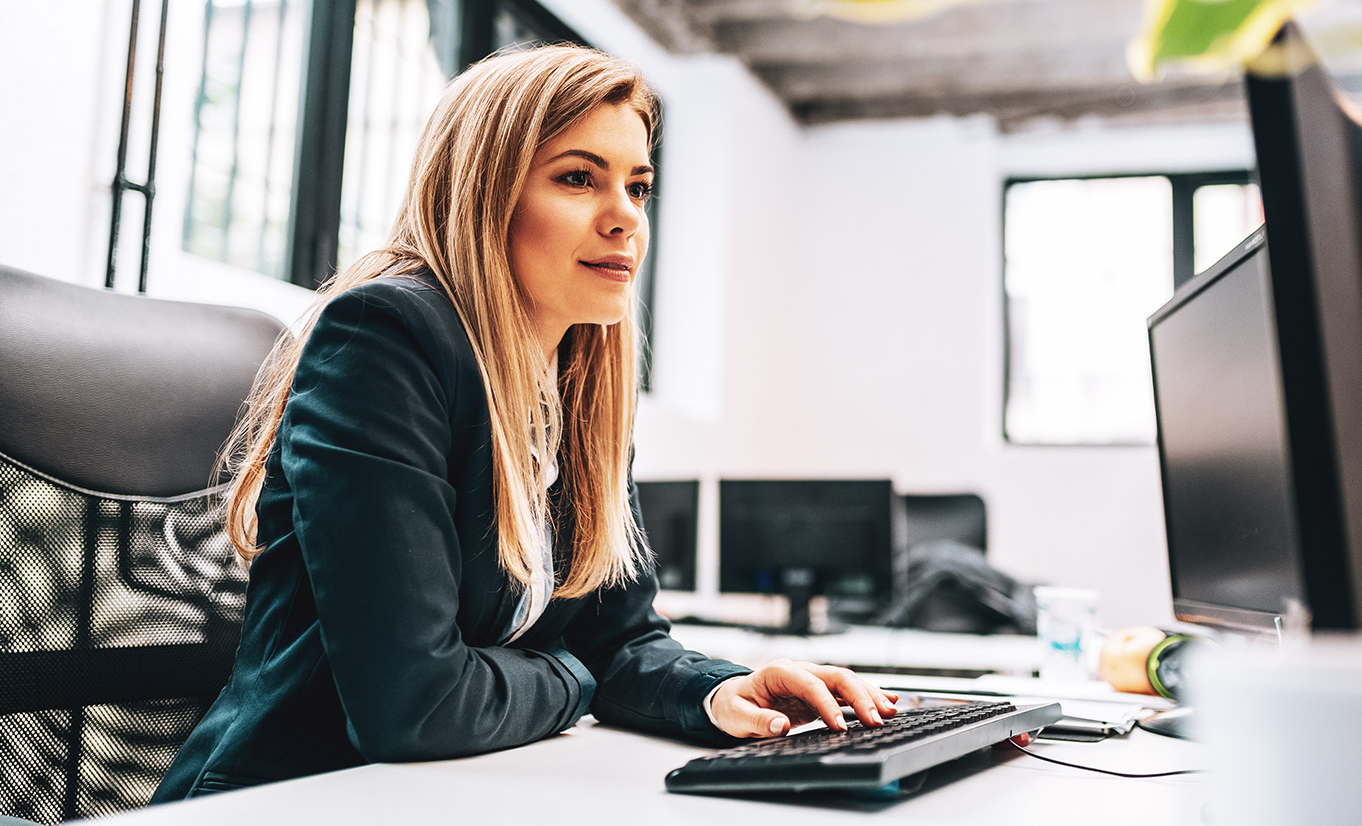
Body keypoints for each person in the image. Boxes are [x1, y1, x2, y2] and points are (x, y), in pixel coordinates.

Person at [152, 45, 897, 801]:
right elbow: (418, 704)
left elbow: (620, 638)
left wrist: (720, 691)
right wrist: (574, 675)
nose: (626, 220)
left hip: (459, 795)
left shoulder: (572, 389)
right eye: (579, 178)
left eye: (638, 187)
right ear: (485, 192)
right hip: (293, 798)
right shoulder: (386, 338)